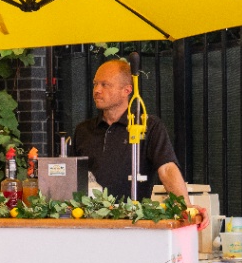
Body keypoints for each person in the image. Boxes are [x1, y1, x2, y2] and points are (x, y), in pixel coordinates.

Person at [69, 59, 187, 200]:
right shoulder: (83, 130)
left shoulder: (148, 126)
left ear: (127, 90)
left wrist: (185, 207)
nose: (97, 90)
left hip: (134, 218)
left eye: (105, 85)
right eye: (95, 84)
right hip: (89, 218)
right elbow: (71, 176)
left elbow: (167, 169)